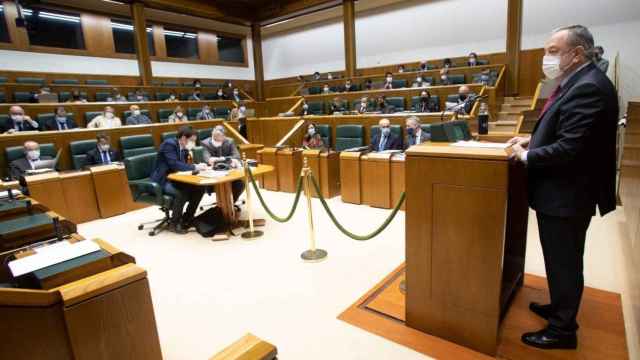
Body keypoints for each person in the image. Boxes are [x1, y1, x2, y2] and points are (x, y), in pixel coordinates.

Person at [507, 25, 618, 350]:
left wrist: (527, 155)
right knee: (560, 259)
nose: (546, 57)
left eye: (553, 51)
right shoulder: (579, 82)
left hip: (567, 194)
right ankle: (559, 308)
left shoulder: (589, 87)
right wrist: (533, 137)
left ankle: (562, 330)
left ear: (577, 54)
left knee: (565, 261)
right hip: (564, 192)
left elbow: (570, 148)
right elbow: (566, 128)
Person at [151, 126, 207, 233]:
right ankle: (174, 223)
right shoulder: (169, 144)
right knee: (181, 192)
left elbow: (184, 165)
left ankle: (187, 218)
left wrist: (197, 165)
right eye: (192, 141)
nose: (193, 143)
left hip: (177, 178)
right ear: (183, 138)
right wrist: (194, 167)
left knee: (200, 188)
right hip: (164, 179)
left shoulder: (184, 148)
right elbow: (174, 164)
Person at [201, 126, 244, 202]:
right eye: (216, 137)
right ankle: (223, 206)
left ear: (224, 136)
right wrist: (228, 159)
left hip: (229, 173)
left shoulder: (230, 141)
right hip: (213, 175)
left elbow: (237, 156)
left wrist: (221, 159)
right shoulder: (205, 143)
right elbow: (207, 159)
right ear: (212, 135)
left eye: (222, 137)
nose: (220, 140)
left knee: (240, 185)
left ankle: (231, 203)